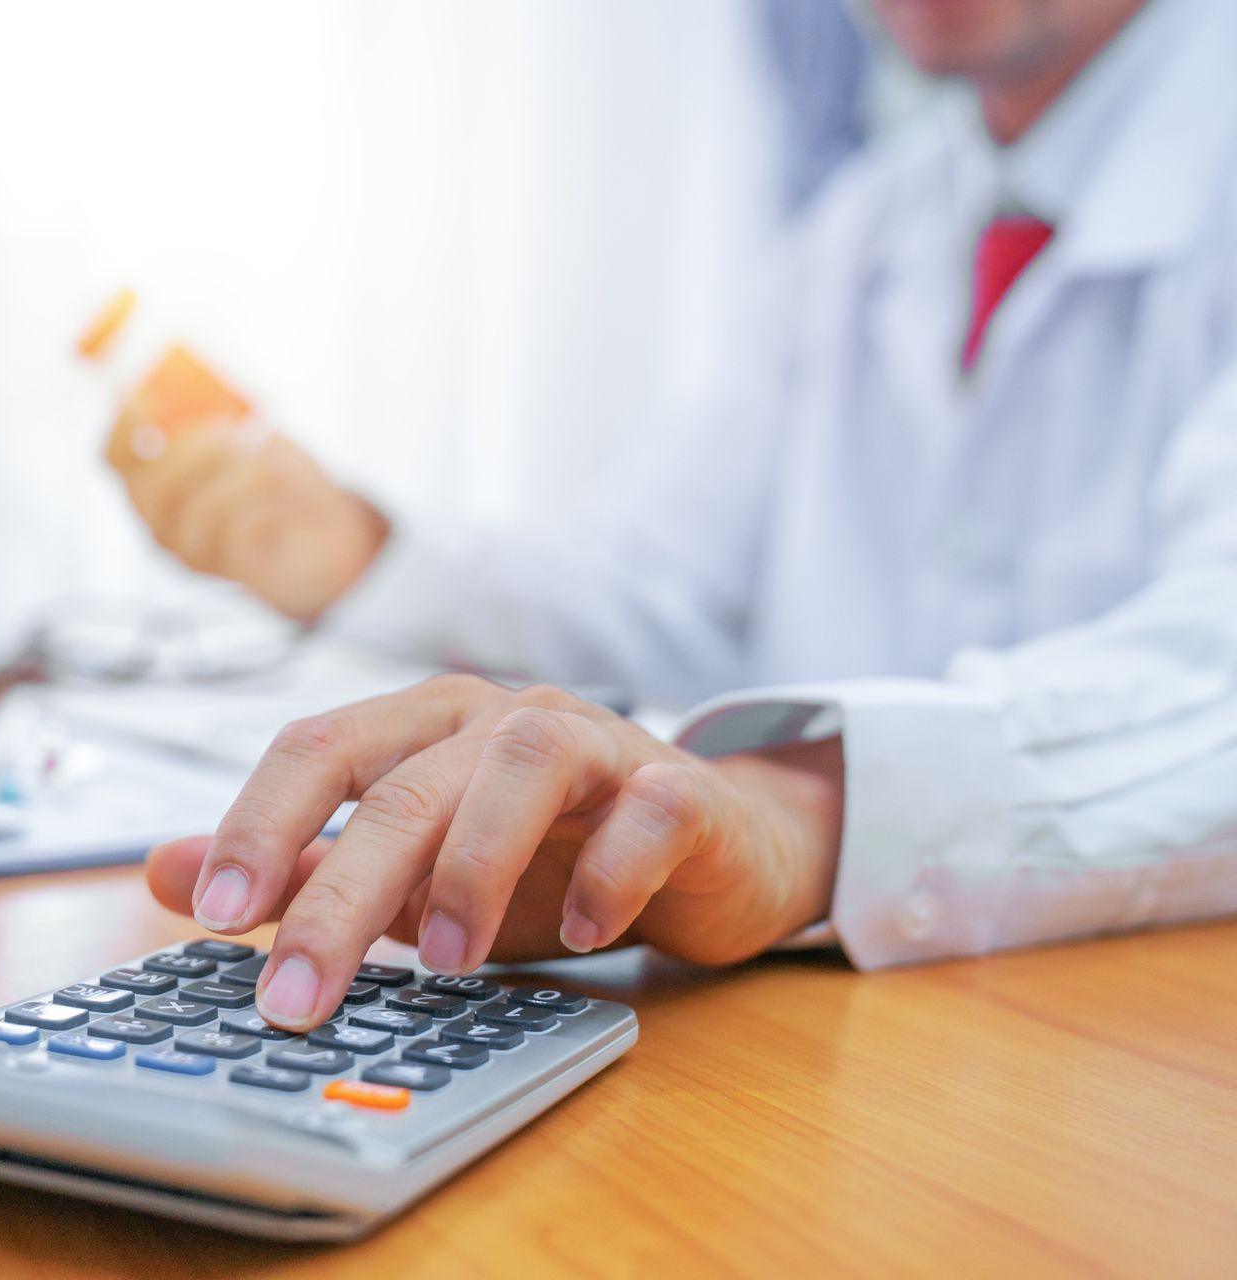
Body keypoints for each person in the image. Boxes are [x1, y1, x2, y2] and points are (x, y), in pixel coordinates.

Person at [110, 0, 1237, 1032]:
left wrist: (804, 812)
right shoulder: (875, 216)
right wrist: (362, 557)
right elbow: (655, 587)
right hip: (826, 1027)